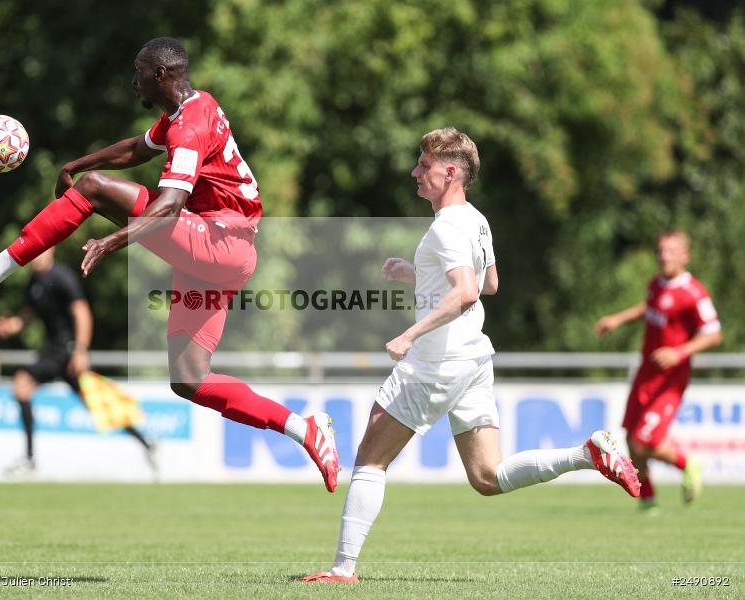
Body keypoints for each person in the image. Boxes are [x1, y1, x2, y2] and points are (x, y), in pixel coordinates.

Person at [0, 37, 340, 491]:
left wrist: (114, 239)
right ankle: (304, 429)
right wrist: (76, 163)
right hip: (217, 248)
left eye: (138, 71)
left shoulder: (189, 126)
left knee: (95, 189)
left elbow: (170, 207)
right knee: (189, 379)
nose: (133, 80)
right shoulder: (189, 111)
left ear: (160, 75)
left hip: (219, 242)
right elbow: (137, 149)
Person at [300, 128, 640, 584]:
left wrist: (409, 334)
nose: (415, 172)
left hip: (436, 364)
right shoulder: (477, 220)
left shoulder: (446, 226)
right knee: (487, 476)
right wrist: (416, 273)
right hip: (474, 359)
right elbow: (489, 285)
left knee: (369, 459)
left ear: (451, 171)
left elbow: (464, 292)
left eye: (424, 165)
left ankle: (343, 570)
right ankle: (587, 454)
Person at [0, 248, 158, 476]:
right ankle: (147, 442)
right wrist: (12, 325)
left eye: (41, 250)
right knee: (91, 401)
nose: (36, 255)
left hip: (67, 351)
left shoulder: (62, 277)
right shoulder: (33, 282)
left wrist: (81, 351)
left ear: (51, 250)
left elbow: (82, 313)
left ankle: (29, 459)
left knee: (27, 385)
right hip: (53, 351)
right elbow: (27, 315)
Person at [594, 230, 721, 512]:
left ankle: (688, 464)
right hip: (646, 373)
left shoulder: (694, 293)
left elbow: (713, 334)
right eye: (661, 250)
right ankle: (648, 500)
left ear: (685, 256)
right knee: (630, 438)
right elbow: (649, 307)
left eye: (671, 251)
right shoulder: (658, 284)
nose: (664, 256)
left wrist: (679, 352)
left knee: (644, 440)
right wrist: (617, 319)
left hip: (670, 380)